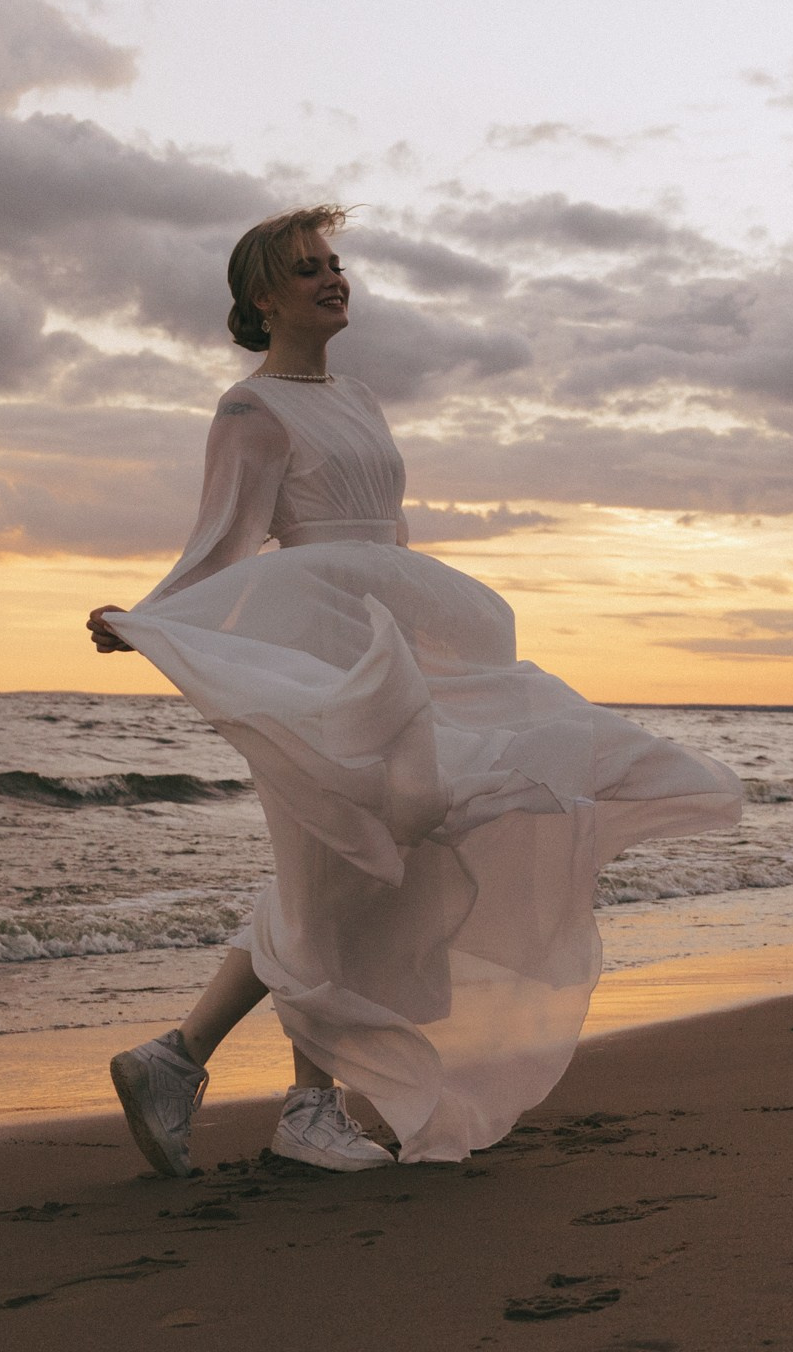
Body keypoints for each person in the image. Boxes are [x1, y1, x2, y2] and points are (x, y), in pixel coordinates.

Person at [88, 205, 743, 1175]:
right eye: (307, 268)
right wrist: (151, 618)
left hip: (400, 645)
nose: (332, 277)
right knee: (345, 862)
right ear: (261, 298)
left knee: (365, 861)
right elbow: (224, 538)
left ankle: (188, 1062)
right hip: (327, 659)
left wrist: (439, 641)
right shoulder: (251, 411)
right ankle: (286, 1099)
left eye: (335, 262)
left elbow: (383, 534)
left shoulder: (358, 396)